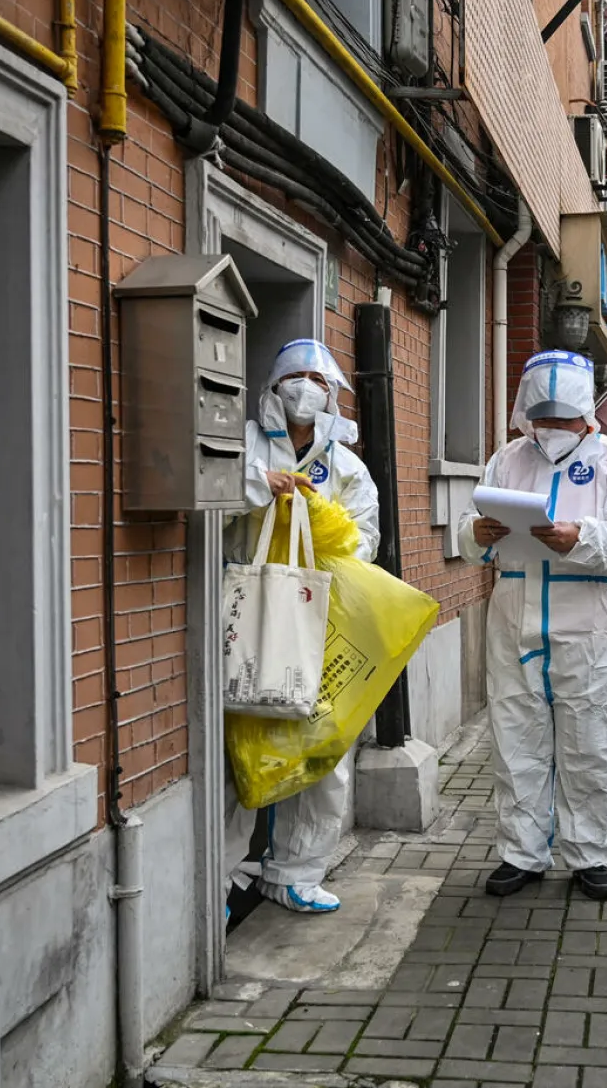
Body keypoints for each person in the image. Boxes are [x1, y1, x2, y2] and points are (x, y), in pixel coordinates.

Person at [458, 351, 607, 901]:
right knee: (516, 739)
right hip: (514, 614)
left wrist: (580, 539)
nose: (553, 431)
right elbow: (464, 541)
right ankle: (522, 853)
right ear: (527, 414)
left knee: (594, 742)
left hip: (590, 620)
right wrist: (479, 534)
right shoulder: (508, 459)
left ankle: (589, 856)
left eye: (564, 420)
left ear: (586, 415)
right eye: (543, 420)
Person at [225, 338, 379, 915]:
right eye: (299, 375)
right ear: (274, 384)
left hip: (318, 619)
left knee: (321, 751)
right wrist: (263, 485)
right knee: (242, 748)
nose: (308, 386)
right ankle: (221, 877)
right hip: (249, 616)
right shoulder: (245, 444)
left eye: (321, 378)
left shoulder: (345, 465)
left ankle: (295, 871)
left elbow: (367, 537)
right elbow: (212, 490)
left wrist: (326, 523)